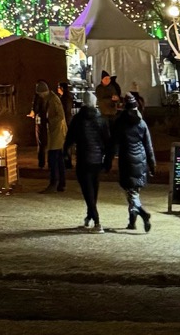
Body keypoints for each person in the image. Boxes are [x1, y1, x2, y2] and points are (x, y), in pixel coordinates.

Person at [110, 94, 156, 232]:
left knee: (131, 192)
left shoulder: (119, 122)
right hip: (140, 160)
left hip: (126, 160)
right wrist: (152, 164)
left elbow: (114, 144)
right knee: (133, 192)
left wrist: (108, 160)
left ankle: (143, 214)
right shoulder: (141, 123)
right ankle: (132, 222)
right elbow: (148, 146)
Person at [65, 95, 111, 231]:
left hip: (83, 158)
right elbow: (108, 141)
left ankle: (96, 220)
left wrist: (65, 154)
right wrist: (107, 160)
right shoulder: (101, 119)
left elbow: (70, 138)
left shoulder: (78, 119)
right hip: (97, 160)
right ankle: (89, 217)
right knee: (93, 189)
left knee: (87, 190)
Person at [35, 81, 68, 193]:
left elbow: (60, 116)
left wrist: (48, 121)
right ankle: (61, 184)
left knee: (53, 159)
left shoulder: (53, 100)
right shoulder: (50, 98)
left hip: (57, 133)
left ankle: (54, 182)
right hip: (56, 132)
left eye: (40, 94)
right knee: (58, 159)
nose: (40, 96)